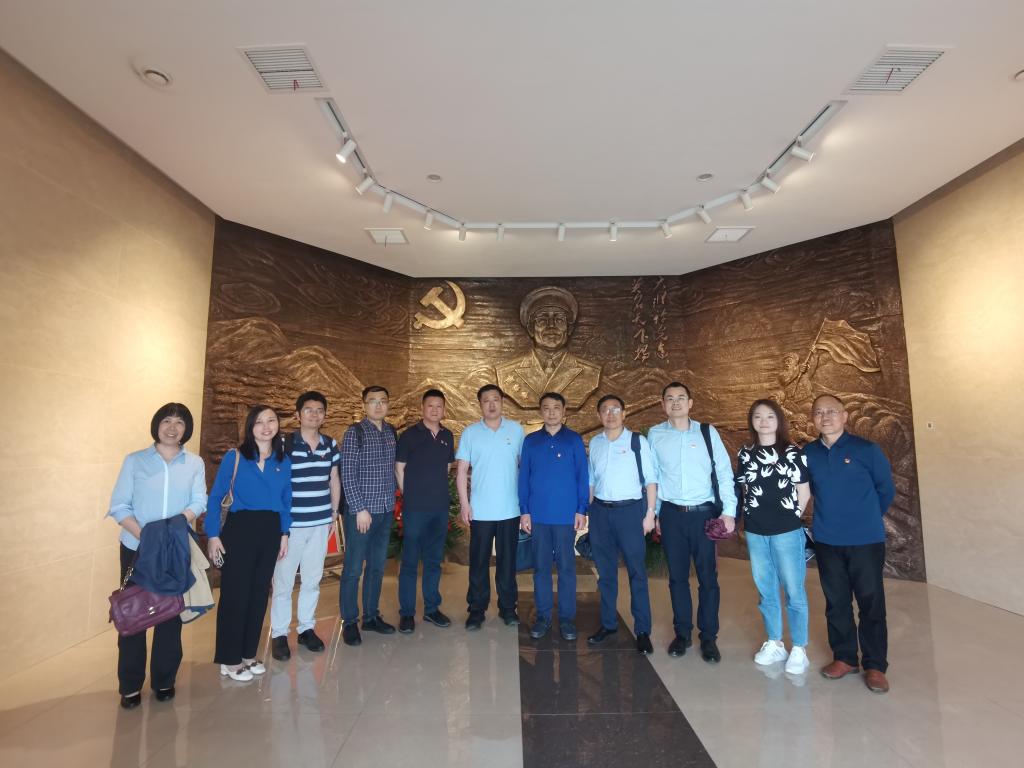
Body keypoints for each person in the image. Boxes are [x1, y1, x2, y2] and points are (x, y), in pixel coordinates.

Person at [107, 403, 207, 709]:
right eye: (167, 421)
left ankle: (164, 680)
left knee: (170, 615)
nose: (172, 428)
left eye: (180, 423)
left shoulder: (194, 463)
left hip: (175, 549)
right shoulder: (135, 460)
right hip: (137, 548)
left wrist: (173, 529)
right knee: (134, 613)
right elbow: (119, 505)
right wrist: (147, 536)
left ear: (186, 429)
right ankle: (130, 686)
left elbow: (199, 500)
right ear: (157, 425)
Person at [803, 394, 896, 693]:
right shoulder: (808, 453)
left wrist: (864, 517)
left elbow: (886, 490)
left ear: (844, 416)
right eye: (819, 412)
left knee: (871, 603)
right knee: (836, 602)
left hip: (865, 540)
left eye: (831, 411)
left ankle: (875, 665)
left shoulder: (866, 450)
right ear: (813, 419)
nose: (825, 416)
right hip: (827, 540)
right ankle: (844, 657)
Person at [648, 382, 737, 663]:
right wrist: (656, 513)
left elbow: (724, 473)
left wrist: (729, 512)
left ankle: (709, 638)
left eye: (681, 398)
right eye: (670, 398)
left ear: (690, 403)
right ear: (663, 404)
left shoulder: (707, 433)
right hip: (672, 515)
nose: (675, 402)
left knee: (708, 578)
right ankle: (682, 634)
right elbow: (654, 477)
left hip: (704, 515)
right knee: (677, 578)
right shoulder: (655, 435)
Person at [207, 405, 291, 682]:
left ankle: (247, 654)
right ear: (250, 427)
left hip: (270, 530)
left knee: (258, 594)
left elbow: (286, 501)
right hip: (240, 529)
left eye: (271, 421)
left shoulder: (283, 460)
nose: (266, 427)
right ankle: (229, 659)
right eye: (259, 422)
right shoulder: (235, 457)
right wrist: (213, 535)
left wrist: (284, 533)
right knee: (235, 594)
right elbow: (215, 497)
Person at [735, 399, 812, 674]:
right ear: (752, 421)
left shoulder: (793, 452)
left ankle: (799, 647)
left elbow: (804, 491)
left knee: (794, 590)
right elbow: (745, 489)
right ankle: (775, 642)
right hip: (756, 531)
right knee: (766, 589)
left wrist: (790, 517)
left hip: (786, 531)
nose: (764, 421)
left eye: (769, 416)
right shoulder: (745, 453)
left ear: (779, 420)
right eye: (758, 416)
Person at [270, 391, 341, 661]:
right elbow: (276, 483)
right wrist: (280, 524)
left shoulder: (330, 444)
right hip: (291, 526)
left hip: (320, 523)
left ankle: (306, 629)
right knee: (284, 581)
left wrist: (334, 513)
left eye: (319, 410)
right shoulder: (285, 443)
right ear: (298, 414)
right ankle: (279, 633)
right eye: (309, 410)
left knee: (312, 579)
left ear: (325, 415)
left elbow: (334, 479)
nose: (314, 414)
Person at [586, 394, 657, 654]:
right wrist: (588, 511)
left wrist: (650, 514)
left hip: (630, 513)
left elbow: (651, 480)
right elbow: (591, 480)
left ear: (624, 413)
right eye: (605, 410)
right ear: (599, 415)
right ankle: (608, 624)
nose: (610, 414)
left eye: (615, 409)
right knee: (605, 574)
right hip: (601, 512)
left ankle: (642, 630)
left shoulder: (637, 442)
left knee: (637, 572)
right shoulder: (595, 443)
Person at [518, 392, 589, 641]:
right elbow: (523, 478)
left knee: (567, 568)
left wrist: (581, 509)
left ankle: (567, 618)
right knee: (541, 568)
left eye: (556, 407)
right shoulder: (531, 441)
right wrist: (524, 511)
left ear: (564, 411)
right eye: (546, 408)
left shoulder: (574, 440)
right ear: (541, 412)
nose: (551, 412)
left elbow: (582, 477)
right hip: (538, 515)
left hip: (565, 516)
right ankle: (544, 616)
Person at [456, 384, 525, 630]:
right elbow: (461, 471)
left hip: (510, 509)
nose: (491, 404)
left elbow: (524, 468)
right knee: (478, 563)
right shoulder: (470, 433)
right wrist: (465, 504)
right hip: (481, 511)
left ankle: (508, 608)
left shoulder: (516, 430)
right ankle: (476, 610)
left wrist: (525, 506)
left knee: (507, 562)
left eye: (496, 399)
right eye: (486, 400)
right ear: (480, 405)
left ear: (502, 402)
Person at [339, 386, 399, 646]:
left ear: (388, 405)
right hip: (361, 514)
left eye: (383, 401)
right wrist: (359, 508)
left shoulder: (391, 432)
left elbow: (393, 470)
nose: (378, 405)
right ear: (363, 405)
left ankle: (371, 616)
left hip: (385, 511)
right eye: (372, 401)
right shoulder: (355, 433)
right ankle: (350, 621)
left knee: (377, 566)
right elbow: (347, 473)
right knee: (353, 569)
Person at [395, 389, 456, 634]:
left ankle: (431, 609)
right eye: (430, 405)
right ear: (422, 408)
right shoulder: (409, 435)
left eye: (439, 406)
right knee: (410, 562)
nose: (434, 410)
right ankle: (407, 613)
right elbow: (399, 469)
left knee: (433, 562)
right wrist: (410, 496)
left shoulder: (447, 436)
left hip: (439, 509)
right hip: (415, 509)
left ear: (444, 409)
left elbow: (447, 468)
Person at [494, 286, 602, 410]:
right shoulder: (506, 372)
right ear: (531, 329)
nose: (551, 326)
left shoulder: (591, 373)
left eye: (559, 320)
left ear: (569, 329)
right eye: (542, 320)